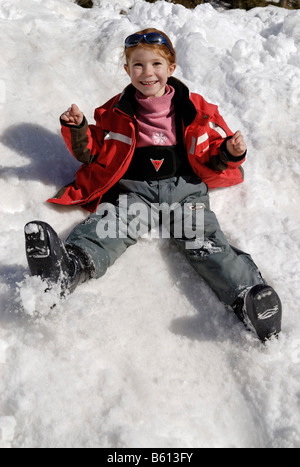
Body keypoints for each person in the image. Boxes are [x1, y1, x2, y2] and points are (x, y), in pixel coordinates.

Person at [24, 28, 282, 342]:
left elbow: (211, 153)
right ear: (127, 70)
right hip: (135, 190)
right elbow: (93, 151)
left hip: (184, 191)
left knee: (203, 239)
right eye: (138, 66)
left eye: (156, 65)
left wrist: (229, 151)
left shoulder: (192, 108)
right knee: (110, 226)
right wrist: (78, 129)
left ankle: (248, 296)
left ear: (171, 69)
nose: (148, 73)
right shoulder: (117, 110)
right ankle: (69, 268)